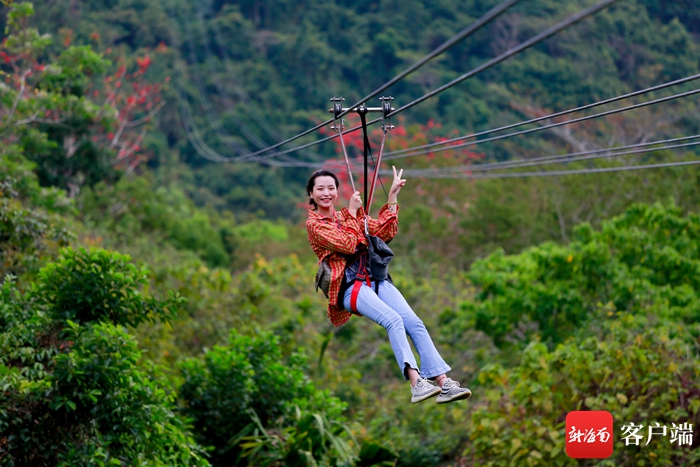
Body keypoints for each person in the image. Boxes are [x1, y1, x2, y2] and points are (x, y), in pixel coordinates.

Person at [305, 167, 471, 404]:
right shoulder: (315, 225)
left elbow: (384, 231)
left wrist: (392, 197)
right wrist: (353, 214)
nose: (326, 193)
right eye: (320, 189)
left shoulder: (347, 215)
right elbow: (348, 244)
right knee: (393, 320)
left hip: (374, 278)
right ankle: (417, 384)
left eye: (331, 188)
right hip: (349, 287)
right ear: (311, 194)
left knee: (413, 322)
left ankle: (444, 383)